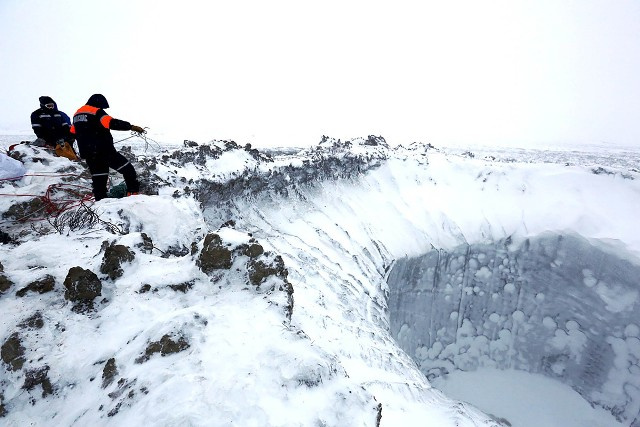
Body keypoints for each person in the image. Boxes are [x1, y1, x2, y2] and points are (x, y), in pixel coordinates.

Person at [70, 94, 145, 201]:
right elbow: (111, 122)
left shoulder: (77, 115)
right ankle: (133, 195)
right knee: (129, 170)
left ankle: (101, 202)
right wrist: (131, 127)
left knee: (99, 178)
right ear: (99, 103)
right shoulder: (96, 111)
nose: (102, 109)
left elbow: (72, 132)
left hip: (89, 154)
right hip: (104, 151)